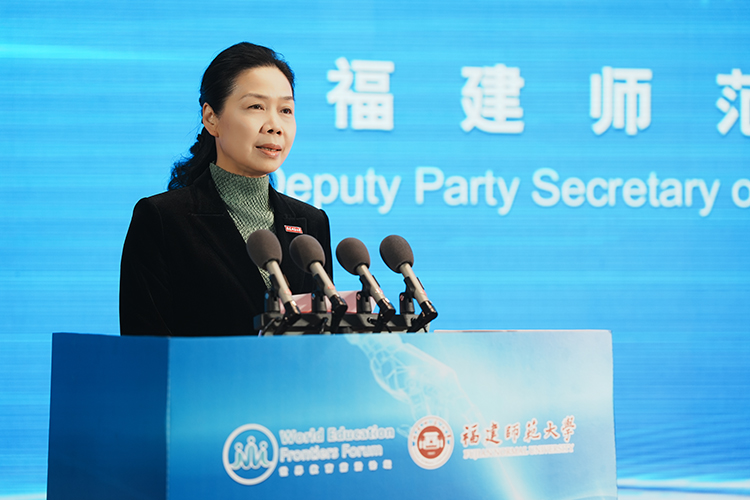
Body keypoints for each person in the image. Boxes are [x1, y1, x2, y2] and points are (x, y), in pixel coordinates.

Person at [119, 42, 332, 336]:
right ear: (211, 118)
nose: (275, 126)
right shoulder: (162, 219)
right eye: (256, 107)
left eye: (286, 110)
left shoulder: (311, 223)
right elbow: (145, 347)